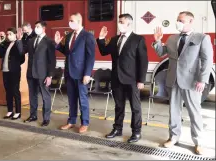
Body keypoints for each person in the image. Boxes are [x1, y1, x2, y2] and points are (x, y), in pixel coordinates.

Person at [152, 11, 213, 155]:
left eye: (181, 20)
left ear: (190, 21)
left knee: (194, 113)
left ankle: (198, 142)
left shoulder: (201, 38)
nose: (178, 22)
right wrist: (157, 41)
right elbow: (161, 53)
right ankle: (173, 137)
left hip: (192, 82)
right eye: (177, 20)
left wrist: (202, 80)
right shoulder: (173, 38)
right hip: (173, 80)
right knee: (174, 111)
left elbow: (207, 60)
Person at [96, 13, 148, 143]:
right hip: (116, 78)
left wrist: (141, 80)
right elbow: (104, 51)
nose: (119, 24)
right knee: (119, 106)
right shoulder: (115, 39)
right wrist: (101, 38)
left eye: (121, 22)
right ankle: (117, 129)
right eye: (119, 21)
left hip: (132, 80)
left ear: (129, 24)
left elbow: (143, 61)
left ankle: (136, 132)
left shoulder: (138, 39)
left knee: (135, 107)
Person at [55, 12, 95, 133]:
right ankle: (71, 121)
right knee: (71, 100)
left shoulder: (87, 36)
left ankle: (85, 123)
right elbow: (68, 52)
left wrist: (87, 74)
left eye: (72, 21)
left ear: (79, 21)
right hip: (69, 72)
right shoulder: (69, 36)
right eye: (69, 21)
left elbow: (90, 56)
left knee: (82, 99)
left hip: (81, 74)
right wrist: (57, 44)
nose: (69, 23)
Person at [23, 20, 56, 126]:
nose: (36, 28)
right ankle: (33, 115)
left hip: (43, 74)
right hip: (31, 73)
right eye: (35, 26)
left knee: (45, 96)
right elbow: (22, 51)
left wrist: (50, 75)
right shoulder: (31, 40)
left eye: (38, 26)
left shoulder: (49, 41)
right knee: (32, 96)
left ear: (43, 28)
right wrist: (19, 40)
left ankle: (46, 118)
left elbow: (52, 60)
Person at [0, 27, 25, 120]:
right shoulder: (6, 44)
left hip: (14, 71)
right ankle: (10, 110)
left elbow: (21, 56)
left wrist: (19, 40)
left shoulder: (18, 43)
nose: (8, 36)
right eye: (7, 34)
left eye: (10, 34)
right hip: (5, 71)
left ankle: (18, 112)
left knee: (15, 91)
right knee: (8, 91)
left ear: (15, 34)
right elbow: (0, 54)